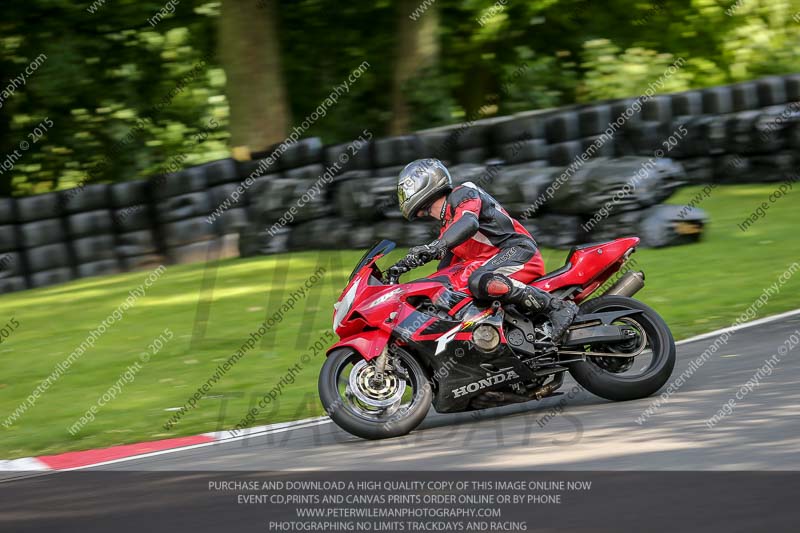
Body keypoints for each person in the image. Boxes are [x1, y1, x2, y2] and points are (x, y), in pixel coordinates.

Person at [397, 158, 578, 343]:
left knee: (479, 280)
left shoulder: (464, 194)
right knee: (447, 289)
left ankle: (556, 307)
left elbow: (469, 223)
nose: (403, 196)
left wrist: (436, 245)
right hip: (496, 262)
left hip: (517, 251)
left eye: (405, 190)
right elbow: (444, 273)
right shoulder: (449, 229)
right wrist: (406, 269)